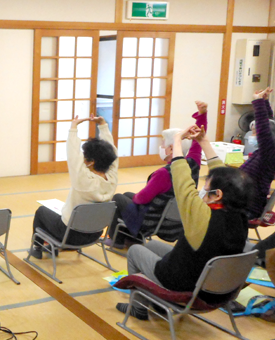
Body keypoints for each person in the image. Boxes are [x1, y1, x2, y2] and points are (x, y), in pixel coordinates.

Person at [117, 125, 253, 320]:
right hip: (215, 284)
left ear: (217, 195)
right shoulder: (240, 216)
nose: (203, 188)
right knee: (154, 244)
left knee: (135, 251)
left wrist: (178, 141)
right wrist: (204, 141)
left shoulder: (202, 216)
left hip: (184, 283)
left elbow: (183, 181)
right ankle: (154, 302)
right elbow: (222, 177)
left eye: (207, 186)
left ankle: (139, 308)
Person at [106, 101, 207, 247]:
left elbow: (141, 199)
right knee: (128, 194)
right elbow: (198, 141)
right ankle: (130, 237)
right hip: (178, 220)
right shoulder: (193, 164)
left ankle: (119, 240)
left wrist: (135, 198)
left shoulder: (164, 173)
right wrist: (202, 116)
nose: (161, 147)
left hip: (156, 222)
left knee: (119, 198)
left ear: (172, 148)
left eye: (162, 144)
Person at [30, 115, 118, 257]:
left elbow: (72, 154)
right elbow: (112, 153)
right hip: (95, 234)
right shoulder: (112, 178)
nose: (82, 158)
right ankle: (48, 246)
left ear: (91, 162)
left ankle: (37, 248)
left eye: (85, 156)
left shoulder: (83, 180)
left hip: (69, 235)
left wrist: (73, 127)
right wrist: (103, 125)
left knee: (41, 211)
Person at [239, 88, 275, 219]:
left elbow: (266, 130)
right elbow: (271, 124)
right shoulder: (264, 153)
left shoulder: (269, 155)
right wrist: (265, 102)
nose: (252, 135)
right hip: (243, 201)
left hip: (247, 208)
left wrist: (258, 102)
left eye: (255, 133)